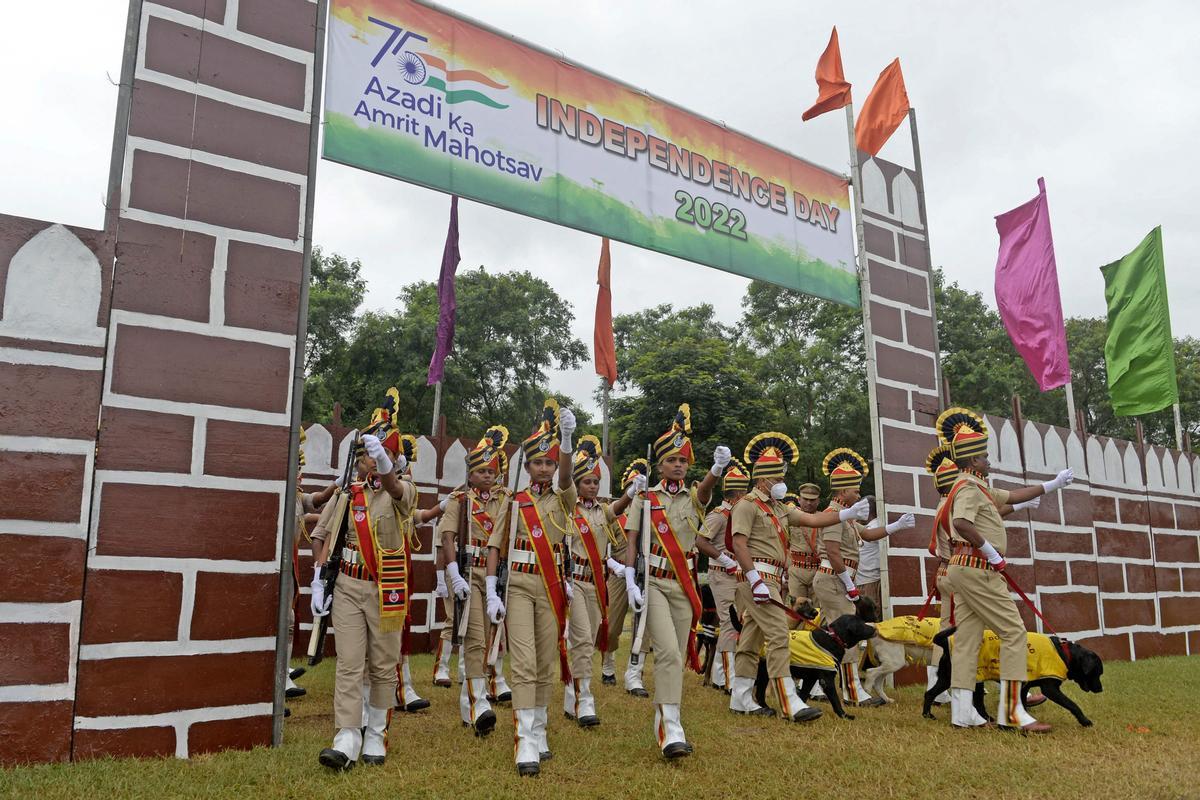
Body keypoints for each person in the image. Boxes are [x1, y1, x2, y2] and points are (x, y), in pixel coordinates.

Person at [310, 391, 437, 770]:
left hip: (387, 589)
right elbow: (321, 536)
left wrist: (386, 463)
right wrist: (319, 577)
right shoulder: (349, 494)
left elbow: (397, 489)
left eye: (378, 456)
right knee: (349, 663)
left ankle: (377, 730)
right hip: (348, 585)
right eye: (367, 455)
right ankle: (347, 735)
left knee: (382, 665)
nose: (370, 461)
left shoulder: (404, 492)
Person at [937, 408, 1072, 731]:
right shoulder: (969, 488)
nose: (989, 461)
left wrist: (1051, 485)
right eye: (984, 457)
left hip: (965, 568)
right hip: (977, 567)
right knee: (1013, 632)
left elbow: (1010, 496)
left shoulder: (974, 485)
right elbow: (961, 523)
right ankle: (1012, 711)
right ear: (972, 461)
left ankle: (962, 710)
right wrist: (988, 550)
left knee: (968, 640)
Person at [728, 433, 872, 721]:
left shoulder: (779, 508)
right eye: (777, 477)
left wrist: (847, 514)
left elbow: (815, 519)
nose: (781, 481)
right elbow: (738, 544)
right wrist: (754, 578)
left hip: (771, 580)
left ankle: (741, 697)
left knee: (751, 641)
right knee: (780, 634)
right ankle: (789, 700)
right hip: (758, 579)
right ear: (762, 480)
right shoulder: (747, 505)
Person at [623, 404, 732, 759]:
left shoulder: (694, 498)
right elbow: (631, 539)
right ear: (660, 465)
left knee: (679, 655)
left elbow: (703, 494)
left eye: (684, 461)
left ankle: (671, 717)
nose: (679, 465)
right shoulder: (645, 497)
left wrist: (716, 470)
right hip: (654, 581)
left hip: (684, 585)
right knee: (668, 651)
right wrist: (629, 578)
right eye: (672, 460)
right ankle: (671, 727)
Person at [485, 399, 578, 777]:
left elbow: (571, 479)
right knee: (523, 659)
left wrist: (568, 442)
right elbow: (494, 544)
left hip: (552, 586)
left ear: (555, 467)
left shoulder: (564, 498)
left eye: (549, 463)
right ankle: (524, 739)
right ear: (527, 467)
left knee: (544, 662)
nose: (543, 468)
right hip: (520, 585)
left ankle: (539, 731)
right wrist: (492, 588)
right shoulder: (514, 501)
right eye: (537, 462)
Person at [811, 448, 914, 707]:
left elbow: (866, 535)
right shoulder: (834, 515)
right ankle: (852, 691)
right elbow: (833, 553)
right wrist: (849, 586)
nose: (859, 495)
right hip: (835, 580)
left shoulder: (844, 516)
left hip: (836, 580)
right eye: (855, 491)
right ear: (842, 491)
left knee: (826, 635)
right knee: (845, 637)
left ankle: (815, 686)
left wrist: (895, 526)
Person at [437, 425, 512, 736]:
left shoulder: (504, 499)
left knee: (493, 639)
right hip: (469, 573)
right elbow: (447, 536)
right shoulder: (460, 500)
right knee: (474, 637)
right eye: (481, 471)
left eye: (491, 470)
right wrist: (452, 573)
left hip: (497, 575)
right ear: (470, 474)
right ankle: (479, 703)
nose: (487, 476)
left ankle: (471, 706)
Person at [563, 436, 637, 726]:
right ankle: (584, 698)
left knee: (589, 640)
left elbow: (617, 509)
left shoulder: (601, 511)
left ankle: (571, 689)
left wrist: (631, 492)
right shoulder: (570, 508)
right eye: (587, 482)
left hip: (597, 584)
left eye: (595, 482)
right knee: (581, 639)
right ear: (578, 485)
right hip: (575, 582)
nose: (592, 486)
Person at [699, 457, 750, 693]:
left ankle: (720, 675)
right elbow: (701, 541)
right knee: (730, 622)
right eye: (745, 492)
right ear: (736, 494)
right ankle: (729, 680)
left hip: (738, 576)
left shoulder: (739, 514)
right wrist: (725, 559)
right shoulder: (719, 515)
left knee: (735, 623)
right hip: (722, 574)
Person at [600, 459, 649, 688]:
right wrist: (614, 566)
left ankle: (634, 670)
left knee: (643, 624)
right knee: (613, 624)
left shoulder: (648, 512)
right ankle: (608, 663)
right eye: (633, 485)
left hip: (644, 573)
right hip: (618, 573)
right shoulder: (615, 515)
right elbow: (601, 550)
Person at [786, 482, 824, 606]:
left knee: (818, 610)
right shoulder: (789, 517)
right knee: (796, 609)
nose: (809, 503)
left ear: (818, 501)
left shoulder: (824, 518)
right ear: (799, 499)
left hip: (818, 569)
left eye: (812, 500)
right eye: (805, 499)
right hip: (796, 569)